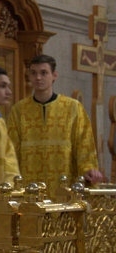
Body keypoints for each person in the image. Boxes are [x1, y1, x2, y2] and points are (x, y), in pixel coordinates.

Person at [6, 54, 104, 195]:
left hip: (64, 183)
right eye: (33, 73)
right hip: (30, 186)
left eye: (44, 73)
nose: (38, 78)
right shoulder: (19, 110)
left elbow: (84, 144)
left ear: (54, 75)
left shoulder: (72, 107)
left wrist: (88, 168)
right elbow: (11, 149)